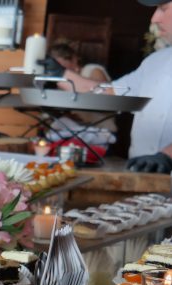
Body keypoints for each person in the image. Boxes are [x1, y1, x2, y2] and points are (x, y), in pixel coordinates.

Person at [55, 0, 172, 173]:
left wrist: (167, 156)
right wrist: (61, 75)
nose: (154, 18)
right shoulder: (154, 62)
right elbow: (110, 94)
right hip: (143, 176)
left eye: (163, 9)